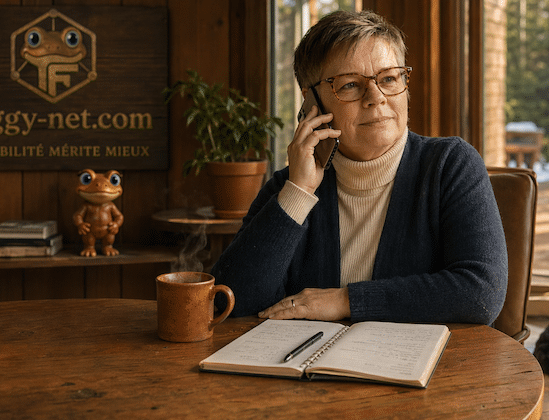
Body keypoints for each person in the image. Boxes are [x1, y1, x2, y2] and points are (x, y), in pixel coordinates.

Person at [211, 10, 507, 326]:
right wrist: (299, 192)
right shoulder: (290, 186)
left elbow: (481, 293)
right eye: (350, 84)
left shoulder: (450, 165)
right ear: (312, 103)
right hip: (311, 370)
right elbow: (227, 301)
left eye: (390, 78)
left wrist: (345, 301)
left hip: (424, 371)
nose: (375, 97)